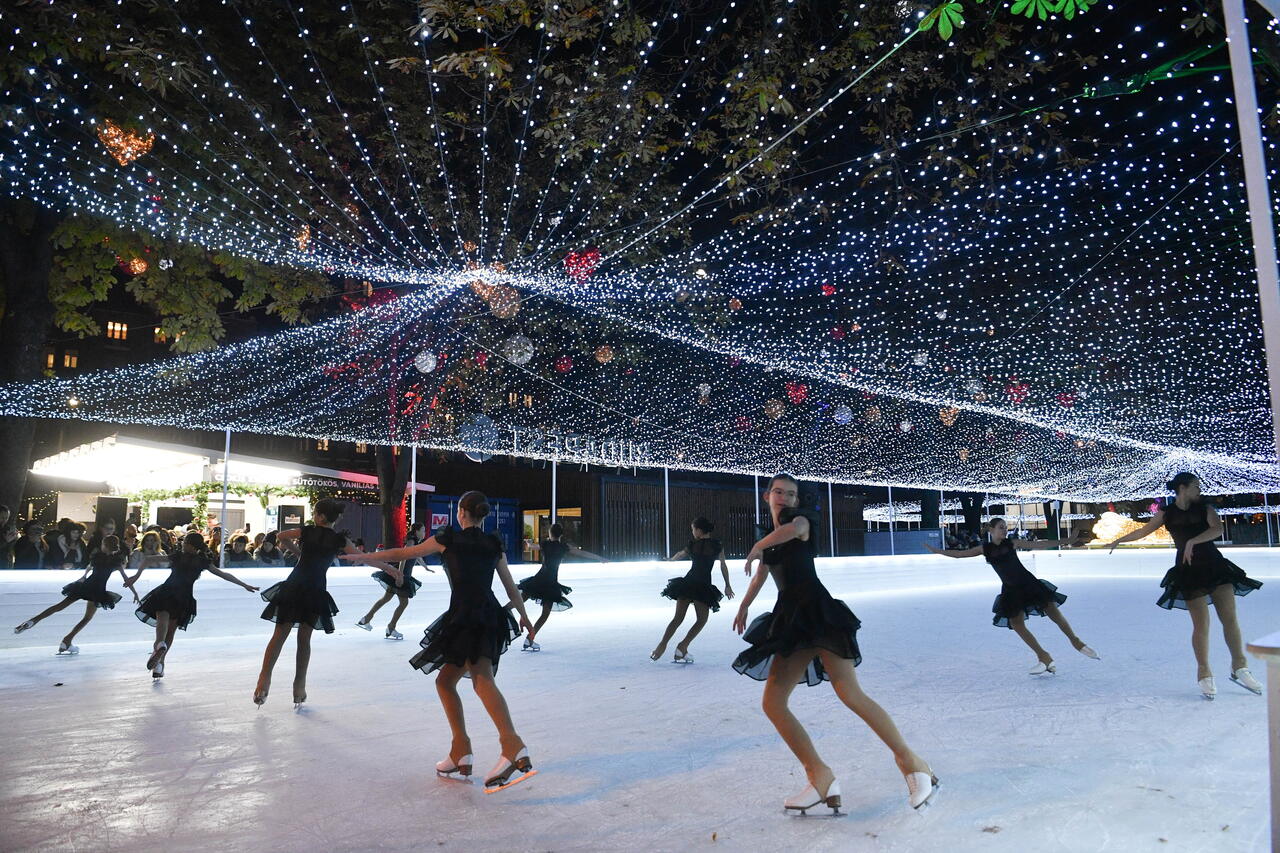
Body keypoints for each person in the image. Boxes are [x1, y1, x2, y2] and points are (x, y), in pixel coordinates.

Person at [732, 474, 937, 814]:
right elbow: (762, 573)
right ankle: (820, 776)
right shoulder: (767, 534)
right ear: (767, 495)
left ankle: (913, 764)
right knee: (773, 703)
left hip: (817, 612)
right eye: (778, 492)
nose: (783, 497)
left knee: (849, 693)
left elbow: (795, 530)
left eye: (791, 493)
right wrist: (744, 604)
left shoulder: (799, 520)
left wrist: (758, 545)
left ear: (797, 499)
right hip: (791, 619)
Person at [340, 491, 538, 793]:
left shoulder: (448, 539)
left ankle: (512, 745)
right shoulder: (492, 543)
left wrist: (364, 556)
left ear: (461, 513)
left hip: (465, 616)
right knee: (446, 681)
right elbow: (510, 587)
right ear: (482, 515)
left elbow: (403, 554)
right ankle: (461, 749)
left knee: (481, 679)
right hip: (487, 615)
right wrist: (524, 617)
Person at [1104, 472, 1263, 700]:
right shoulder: (1166, 513)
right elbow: (1143, 531)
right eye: (1196, 485)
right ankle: (1204, 672)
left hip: (1215, 566)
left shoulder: (1205, 508)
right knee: (1201, 625)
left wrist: (1192, 541)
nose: (1199, 489)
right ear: (1183, 487)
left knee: (1229, 619)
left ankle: (1240, 667)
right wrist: (1119, 540)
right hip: (1188, 571)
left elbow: (1217, 529)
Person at [254, 499, 397, 709]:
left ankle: (264, 680)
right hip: (315, 589)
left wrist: (297, 552)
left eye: (314, 512)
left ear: (320, 516)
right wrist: (390, 569)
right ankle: (299, 686)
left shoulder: (307, 531)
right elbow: (365, 557)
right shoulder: (339, 539)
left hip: (295, 584)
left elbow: (281, 536)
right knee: (304, 638)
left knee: (280, 634)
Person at [924, 518, 1098, 674]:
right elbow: (960, 554)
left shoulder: (1012, 543)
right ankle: (1044, 656)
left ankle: (1076, 642)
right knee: (1016, 624)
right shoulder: (985, 549)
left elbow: (1041, 544)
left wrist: (1067, 540)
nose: (1004, 530)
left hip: (1029, 584)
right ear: (991, 530)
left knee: (1052, 611)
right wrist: (938, 551)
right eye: (1001, 527)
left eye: (1005, 528)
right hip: (1011, 590)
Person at [133, 532, 259, 678]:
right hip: (184, 597)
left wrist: (136, 576)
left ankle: (159, 645)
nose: (182, 543)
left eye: (185, 541)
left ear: (190, 545)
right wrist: (244, 585)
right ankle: (160, 665)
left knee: (162, 621)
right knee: (171, 631)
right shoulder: (202, 561)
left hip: (167, 591)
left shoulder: (178, 556)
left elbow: (148, 559)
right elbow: (223, 574)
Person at [12, 535, 137, 654]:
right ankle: (67, 640)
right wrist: (135, 593)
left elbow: (89, 567)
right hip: (98, 590)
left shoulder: (97, 557)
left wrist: (83, 576)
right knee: (87, 617)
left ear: (104, 545)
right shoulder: (116, 562)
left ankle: (32, 621)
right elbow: (127, 579)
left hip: (85, 585)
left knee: (59, 606)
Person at [650, 517, 733, 663]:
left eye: (693, 529)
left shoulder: (693, 544)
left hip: (688, 583)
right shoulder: (717, 545)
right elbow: (723, 565)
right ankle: (682, 646)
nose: (693, 532)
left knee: (677, 618)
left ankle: (661, 646)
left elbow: (680, 554)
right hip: (703, 586)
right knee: (701, 620)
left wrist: (670, 560)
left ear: (699, 530)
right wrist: (727, 585)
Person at [514, 522, 605, 651]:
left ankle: (507, 612)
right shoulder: (564, 547)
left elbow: (531, 547)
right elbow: (582, 553)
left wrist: (527, 543)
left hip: (539, 579)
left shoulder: (545, 544)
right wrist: (599, 558)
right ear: (561, 535)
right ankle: (530, 638)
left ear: (550, 533)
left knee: (520, 598)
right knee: (544, 614)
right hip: (551, 583)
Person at [356, 522, 434, 640]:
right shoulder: (411, 542)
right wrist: (400, 576)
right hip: (401, 575)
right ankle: (390, 628)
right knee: (403, 603)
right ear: (416, 531)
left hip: (400, 574)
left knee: (386, 598)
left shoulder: (414, 542)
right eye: (422, 530)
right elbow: (403, 557)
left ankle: (366, 619)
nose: (424, 533)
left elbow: (417, 555)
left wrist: (425, 567)